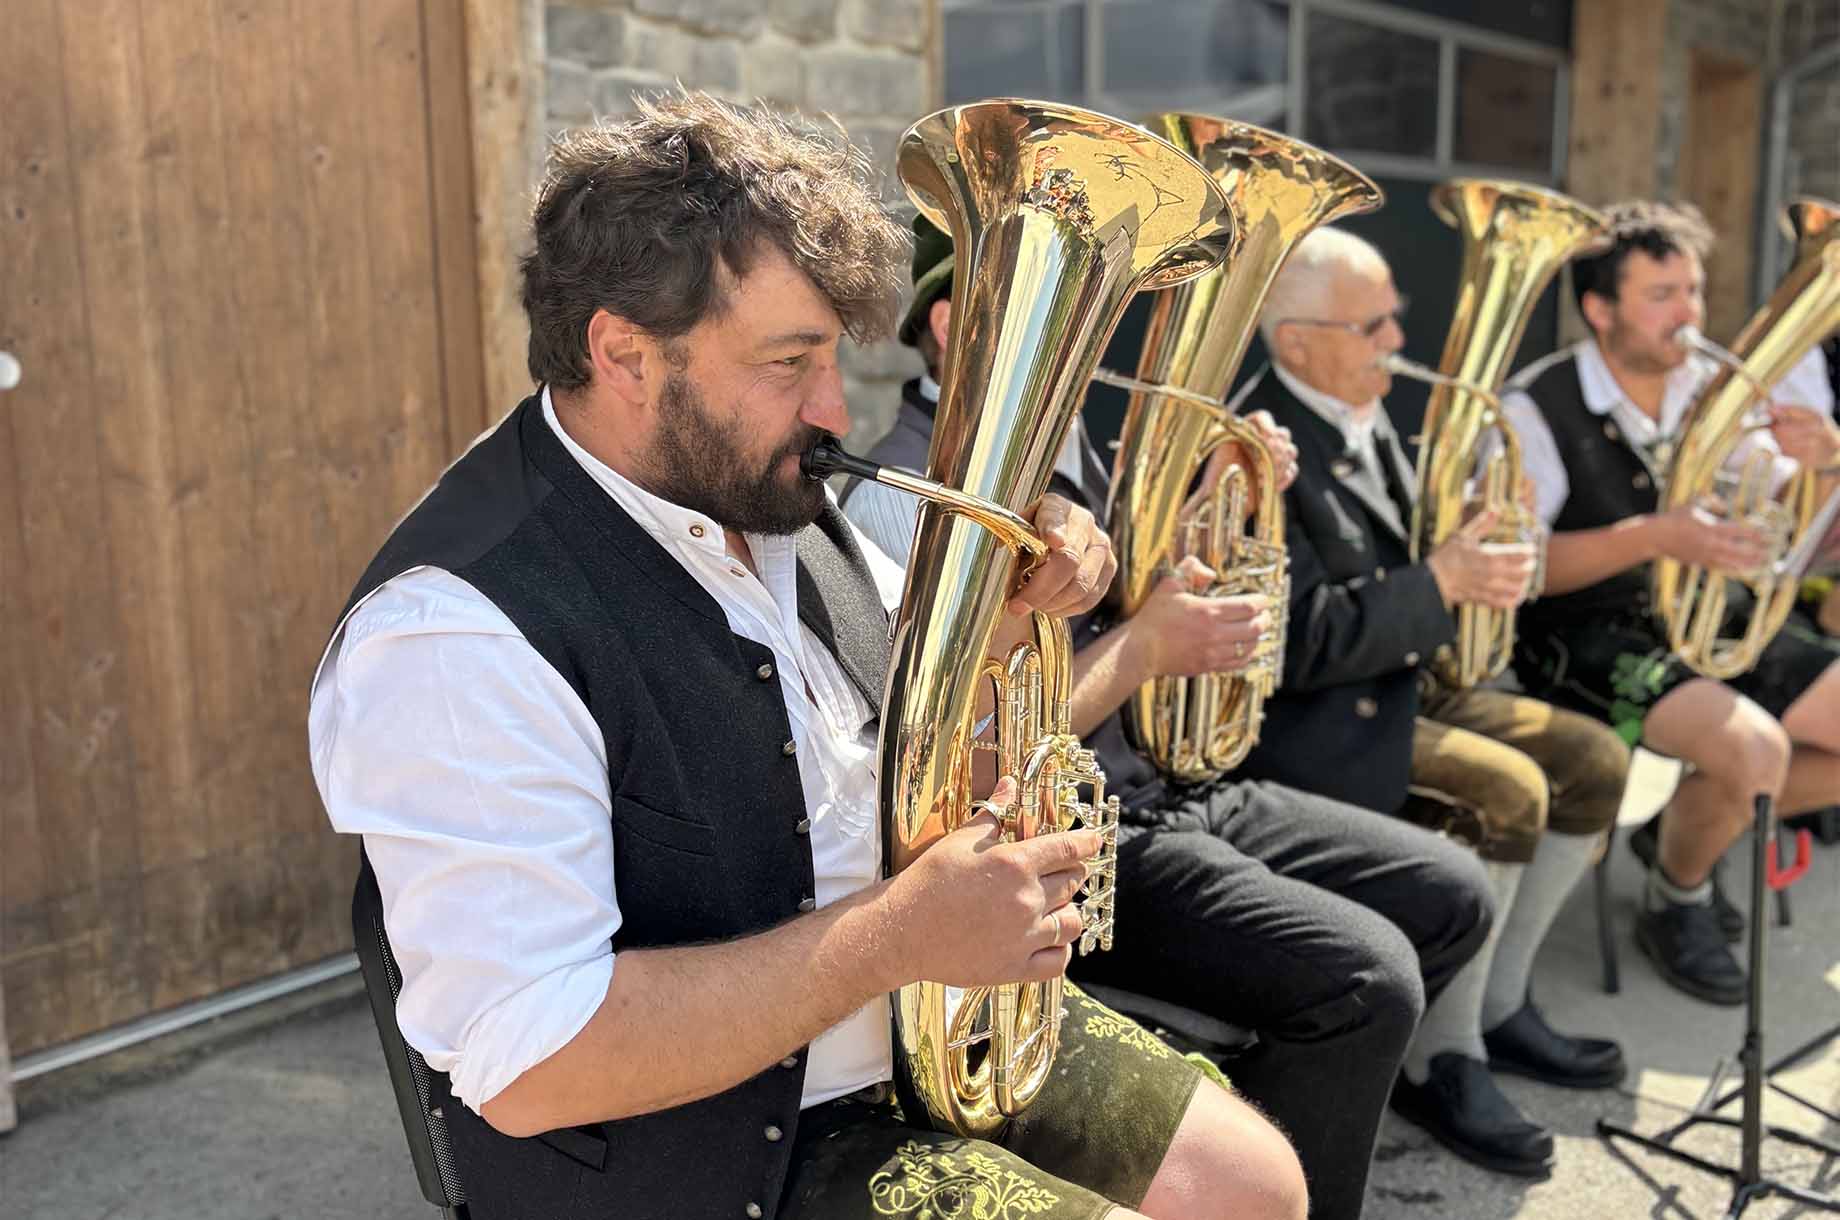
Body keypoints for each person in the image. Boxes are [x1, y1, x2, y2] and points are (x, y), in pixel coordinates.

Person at [308, 95, 1309, 1220]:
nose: (832, 410)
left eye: (832, 356)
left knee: (1256, 1184)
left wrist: (1020, 618)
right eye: (790, 362)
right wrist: (898, 934)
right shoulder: (454, 634)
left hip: (911, 1017)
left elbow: (909, 758)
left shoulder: (763, 493)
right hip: (717, 1149)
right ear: (624, 352)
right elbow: (535, 1064)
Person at [846, 217, 1495, 1219]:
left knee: (1451, 890)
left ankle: (1302, 1113)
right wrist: (1146, 649)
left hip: (1166, 781)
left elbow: (1146, 596)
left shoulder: (1077, 445)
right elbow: (941, 754)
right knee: (1371, 978)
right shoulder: (900, 498)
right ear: (949, 324)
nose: (1098, 341)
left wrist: (1224, 498)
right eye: (1072, 314)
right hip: (1080, 836)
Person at [1231, 227, 1635, 1177]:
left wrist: (1485, 552)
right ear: (1296, 344)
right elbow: (1290, 643)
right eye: (1371, 324)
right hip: (1321, 722)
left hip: (1407, 686)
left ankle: (1499, 1003)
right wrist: (1444, 580)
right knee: (1509, 793)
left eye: (1393, 317)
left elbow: (1415, 575)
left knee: (1593, 761)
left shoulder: (1374, 418)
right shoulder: (1262, 446)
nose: (1395, 338)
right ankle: (1443, 1058)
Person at [1501, 200, 1840, 1005]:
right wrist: (1657, 535)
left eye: (1692, 290)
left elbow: (1792, 522)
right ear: (1599, 308)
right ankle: (1679, 896)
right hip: (1580, 636)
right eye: (1662, 295)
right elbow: (1524, 568)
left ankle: (1684, 827)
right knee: (1754, 753)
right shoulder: (1534, 406)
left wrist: (1826, 463)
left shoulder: (1711, 391)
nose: (1688, 314)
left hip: (1700, 615)